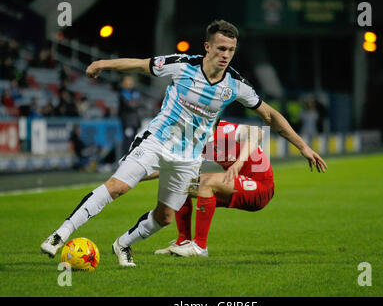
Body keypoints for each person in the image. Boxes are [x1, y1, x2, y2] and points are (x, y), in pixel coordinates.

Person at [41, 19, 327, 267]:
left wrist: (303, 147)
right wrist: (103, 63)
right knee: (118, 187)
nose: (226, 55)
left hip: (188, 157)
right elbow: (142, 65)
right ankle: (60, 234)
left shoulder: (235, 85)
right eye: (221, 48)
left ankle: (123, 244)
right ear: (207, 47)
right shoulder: (181, 66)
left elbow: (270, 116)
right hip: (156, 140)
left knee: (165, 217)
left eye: (231, 50)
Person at [152, 119, 273, 257]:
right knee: (182, 184)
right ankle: (183, 242)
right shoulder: (196, 140)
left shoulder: (224, 130)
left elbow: (257, 132)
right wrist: (131, 178)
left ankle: (200, 247)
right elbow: (170, 168)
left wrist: (239, 163)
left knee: (207, 182)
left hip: (261, 187)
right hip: (238, 187)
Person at [118, 76, 141, 155]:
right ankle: (125, 158)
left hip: (135, 122)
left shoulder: (135, 92)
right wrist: (134, 103)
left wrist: (134, 102)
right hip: (127, 122)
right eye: (127, 82)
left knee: (134, 141)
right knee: (128, 141)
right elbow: (130, 105)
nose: (130, 84)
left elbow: (139, 103)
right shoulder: (123, 93)